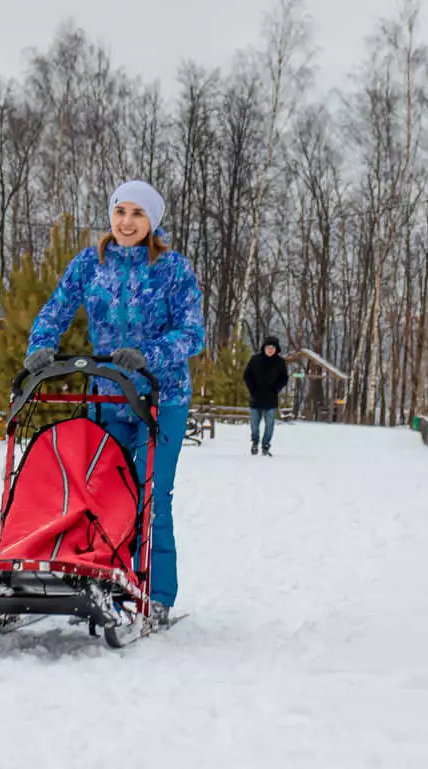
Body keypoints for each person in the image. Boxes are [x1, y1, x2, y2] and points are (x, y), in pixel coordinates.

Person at [23, 179, 205, 623]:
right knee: (102, 495)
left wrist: (150, 355)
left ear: (152, 222)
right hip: (105, 397)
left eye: (137, 214)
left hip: (161, 398)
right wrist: (41, 345)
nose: (126, 222)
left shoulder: (173, 270)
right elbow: (56, 308)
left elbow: (193, 333)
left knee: (152, 496)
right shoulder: (90, 264)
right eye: (120, 212)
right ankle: (104, 579)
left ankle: (156, 593)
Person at [242, 335, 289, 456]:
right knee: (254, 425)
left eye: (273, 347)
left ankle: (266, 445)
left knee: (269, 425)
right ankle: (255, 442)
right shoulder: (255, 360)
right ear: (264, 347)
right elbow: (246, 375)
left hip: (271, 399)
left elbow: (284, 378)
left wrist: (276, 388)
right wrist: (252, 389)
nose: (270, 349)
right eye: (268, 347)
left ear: (276, 349)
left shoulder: (280, 362)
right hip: (256, 397)